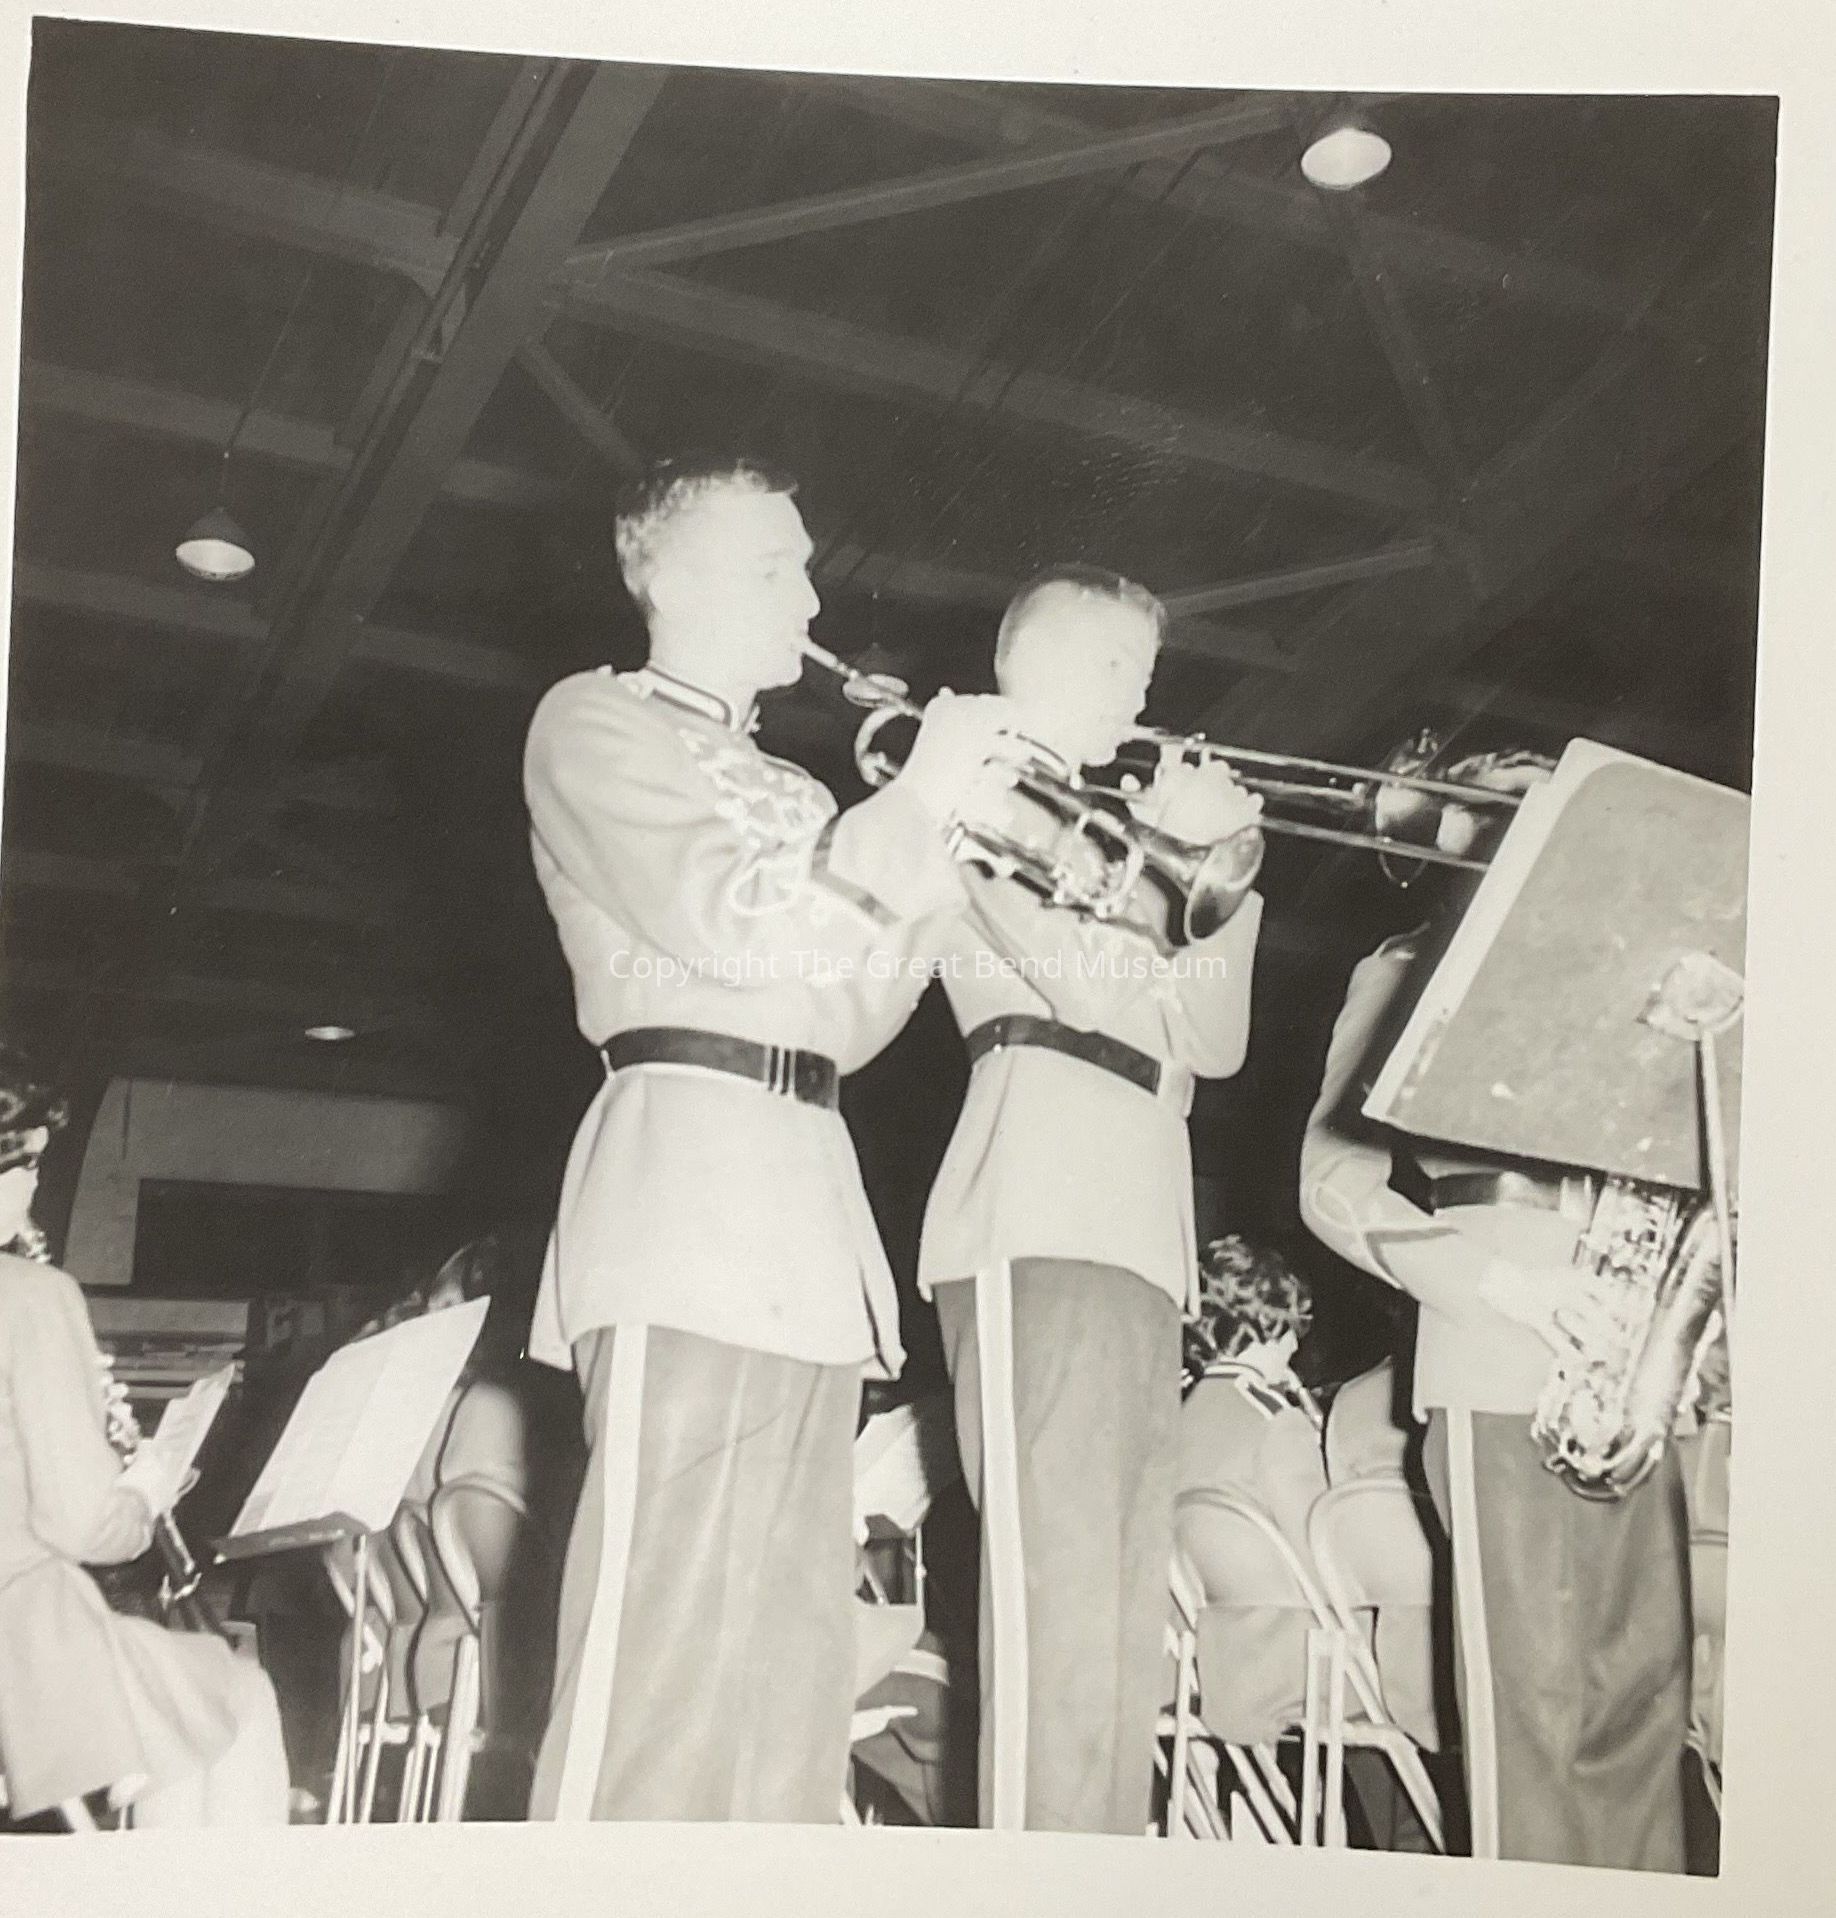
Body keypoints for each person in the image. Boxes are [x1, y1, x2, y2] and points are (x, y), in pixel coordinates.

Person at [522, 454, 1022, 1824]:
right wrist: (908, 815)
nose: (809, 599)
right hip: (682, 1188)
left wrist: (943, 863)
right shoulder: (593, 721)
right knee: (662, 1638)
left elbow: (849, 1019)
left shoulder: (805, 798)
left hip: (807, 1203)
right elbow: (728, 920)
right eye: (775, 567)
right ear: (669, 575)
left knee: (790, 1662)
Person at [1298, 746, 1696, 1871]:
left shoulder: (1632, 973)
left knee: (1645, 1709)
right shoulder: (1408, 966)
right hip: (1494, 1352)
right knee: (1535, 1716)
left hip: (1634, 1360)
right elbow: (1327, 1182)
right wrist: (1498, 1284)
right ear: (1460, 837)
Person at [916, 565, 1265, 1834]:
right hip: (1036, 1208)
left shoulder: (1123, 834)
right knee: (1051, 1601)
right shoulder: (978, 793)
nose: (1141, 695)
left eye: (1145, 672)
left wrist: (1223, 877)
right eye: (1120, 665)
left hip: (1136, 1228)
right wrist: (1168, 866)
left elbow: (1213, 1044)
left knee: (1120, 1616)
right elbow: (1085, 987)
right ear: (1040, 659)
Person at [0, 1050, 289, 1827]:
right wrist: (142, 1491)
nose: (33, 1190)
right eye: (30, 1165)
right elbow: (82, 1527)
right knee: (238, 1693)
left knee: (173, 1713)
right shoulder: (32, 1297)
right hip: (22, 1649)